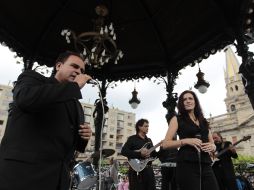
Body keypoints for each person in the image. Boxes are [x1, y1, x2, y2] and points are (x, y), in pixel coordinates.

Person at [0, 51, 92, 190]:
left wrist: (84, 136)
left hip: (57, 179)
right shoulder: (33, 79)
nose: (79, 72)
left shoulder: (76, 104)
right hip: (23, 175)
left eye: (82, 70)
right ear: (59, 66)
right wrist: (73, 87)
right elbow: (26, 100)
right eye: (74, 66)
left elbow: (75, 145)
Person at [162, 90, 219, 190]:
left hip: (205, 164)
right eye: (184, 99)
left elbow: (212, 144)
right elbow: (165, 144)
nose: (187, 101)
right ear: (181, 103)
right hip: (186, 164)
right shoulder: (176, 119)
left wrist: (213, 147)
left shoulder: (204, 121)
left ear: (195, 102)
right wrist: (186, 141)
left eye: (190, 98)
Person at [121, 118, 159, 190]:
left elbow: (154, 155)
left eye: (148, 126)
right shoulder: (132, 139)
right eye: (145, 126)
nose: (148, 128)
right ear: (139, 127)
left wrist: (162, 149)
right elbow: (124, 151)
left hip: (149, 171)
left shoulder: (149, 140)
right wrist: (139, 154)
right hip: (136, 171)